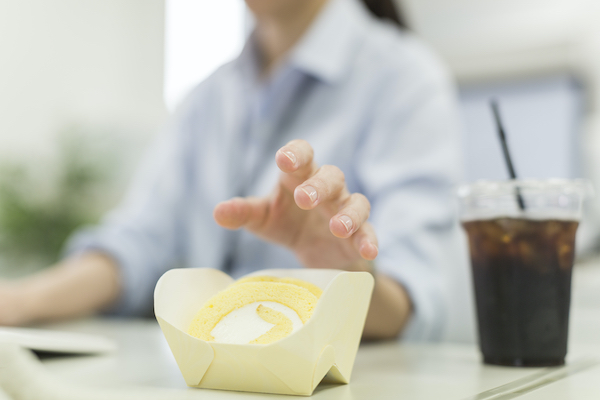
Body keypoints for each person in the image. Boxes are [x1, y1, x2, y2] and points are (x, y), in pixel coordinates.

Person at [0, 0, 462, 340]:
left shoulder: (405, 80)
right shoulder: (207, 98)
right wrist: (19, 301)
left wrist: (350, 282)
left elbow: (415, 304)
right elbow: (139, 244)